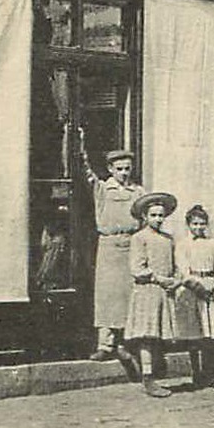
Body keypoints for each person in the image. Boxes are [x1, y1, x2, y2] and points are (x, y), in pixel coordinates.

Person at [84, 148, 144, 364]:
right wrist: (79, 141)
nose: (124, 173)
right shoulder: (102, 189)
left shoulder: (138, 192)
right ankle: (105, 344)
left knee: (129, 296)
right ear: (110, 169)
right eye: (119, 169)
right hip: (109, 245)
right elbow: (85, 170)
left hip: (131, 244)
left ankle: (125, 343)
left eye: (127, 169)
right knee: (107, 295)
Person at [125, 192, 181, 398]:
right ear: (144, 217)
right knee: (147, 335)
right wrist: (158, 279)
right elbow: (137, 268)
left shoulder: (168, 239)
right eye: (153, 215)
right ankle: (147, 377)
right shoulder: (139, 238)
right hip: (147, 291)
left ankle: (154, 372)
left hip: (164, 293)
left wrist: (175, 280)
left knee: (158, 336)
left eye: (161, 215)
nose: (158, 219)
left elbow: (175, 265)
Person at [173, 204, 214, 388]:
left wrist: (212, 285)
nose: (198, 227)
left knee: (211, 335)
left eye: (202, 224)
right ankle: (196, 373)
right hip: (193, 292)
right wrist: (198, 287)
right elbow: (183, 270)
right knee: (195, 334)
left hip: (211, 289)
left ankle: (210, 372)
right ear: (188, 224)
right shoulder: (183, 245)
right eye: (195, 224)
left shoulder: (213, 244)